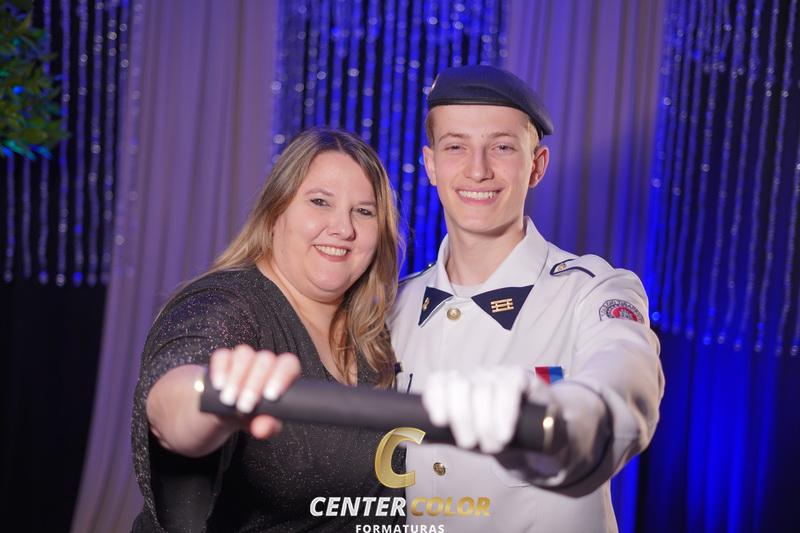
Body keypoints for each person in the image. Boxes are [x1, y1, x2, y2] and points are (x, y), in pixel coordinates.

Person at [389, 65, 665, 532]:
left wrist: (561, 422)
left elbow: (623, 379)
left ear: (536, 166)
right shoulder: (394, 306)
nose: (478, 169)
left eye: (502, 147)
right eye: (456, 147)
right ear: (431, 165)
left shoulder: (594, 290)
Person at [131, 128, 404, 532]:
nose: (343, 228)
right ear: (276, 213)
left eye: (363, 211)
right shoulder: (228, 303)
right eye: (320, 202)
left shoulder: (376, 333)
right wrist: (206, 404)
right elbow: (175, 390)